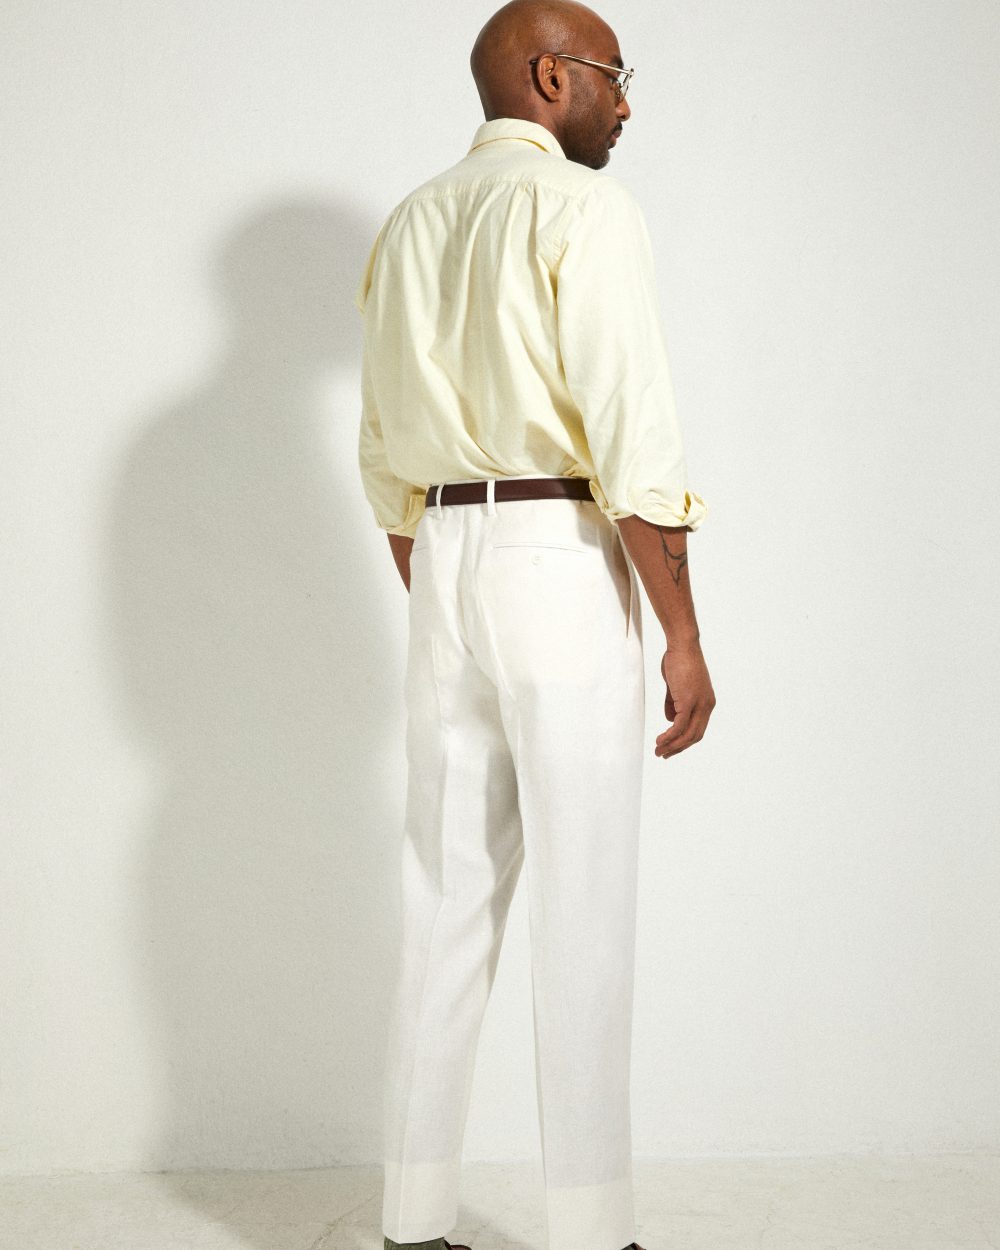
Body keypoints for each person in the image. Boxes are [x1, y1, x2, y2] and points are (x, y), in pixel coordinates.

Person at [353, 2, 716, 1248]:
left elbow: (382, 449)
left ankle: (409, 1224)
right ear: (549, 75)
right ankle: (591, 1228)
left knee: (442, 896)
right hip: (558, 552)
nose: (625, 100)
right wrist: (679, 632)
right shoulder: (580, 209)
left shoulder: (410, 222)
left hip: (442, 557)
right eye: (613, 73)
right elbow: (631, 433)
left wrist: (446, 583)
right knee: (583, 896)